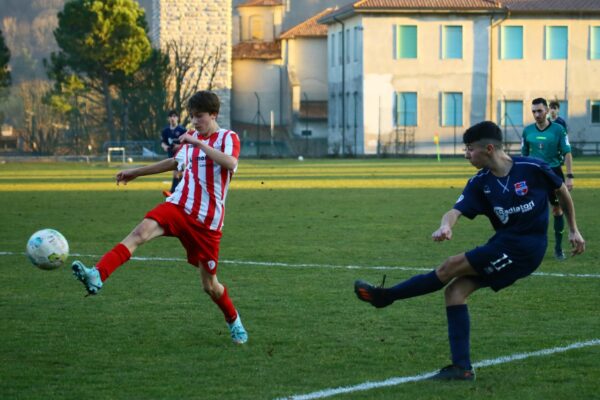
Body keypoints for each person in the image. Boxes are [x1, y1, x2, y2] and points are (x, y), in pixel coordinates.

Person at [354, 121, 585, 381]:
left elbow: (562, 192)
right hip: (504, 244)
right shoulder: (480, 183)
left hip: (526, 248)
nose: (466, 155)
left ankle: (386, 296)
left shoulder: (532, 168)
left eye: (469, 149)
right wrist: (445, 225)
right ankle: (461, 368)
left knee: (449, 266)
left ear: (488, 149)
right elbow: (455, 211)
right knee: (455, 291)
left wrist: (574, 229)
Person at [71, 91, 248, 344]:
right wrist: (135, 172)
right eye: (193, 117)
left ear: (214, 115)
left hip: (207, 223)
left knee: (210, 286)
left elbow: (230, 163)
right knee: (140, 233)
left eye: (200, 117)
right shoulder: (191, 140)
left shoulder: (227, 138)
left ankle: (234, 320)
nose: (195, 122)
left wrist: (198, 144)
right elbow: (173, 163)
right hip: (179, 206)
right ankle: (98, 274)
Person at [522, 98, 574, 260]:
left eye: (539, 111)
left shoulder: (558, 129)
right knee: (529, 210)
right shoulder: (527, 131)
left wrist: (570, 176)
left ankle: (558, 248)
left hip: (553, 172)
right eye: (534, 111)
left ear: (546, 111)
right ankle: (529, 247)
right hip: (533, 173)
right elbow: (524, 154)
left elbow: (567, 152)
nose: (536, 114)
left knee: (557, 210)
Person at [160, 110, 187, 196]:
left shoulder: (182, 130)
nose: (172, 118)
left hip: (181, 154)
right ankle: (183, 191)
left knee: (178, 173)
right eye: (171, 116)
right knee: (179, 173)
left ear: (178, 118)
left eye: (174, 116)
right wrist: (165, 147)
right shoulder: (165, 131)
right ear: (168, 118)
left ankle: (173, 192)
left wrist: (178, 147)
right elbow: (163, 142)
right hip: (171, 154)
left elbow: (186, 143)